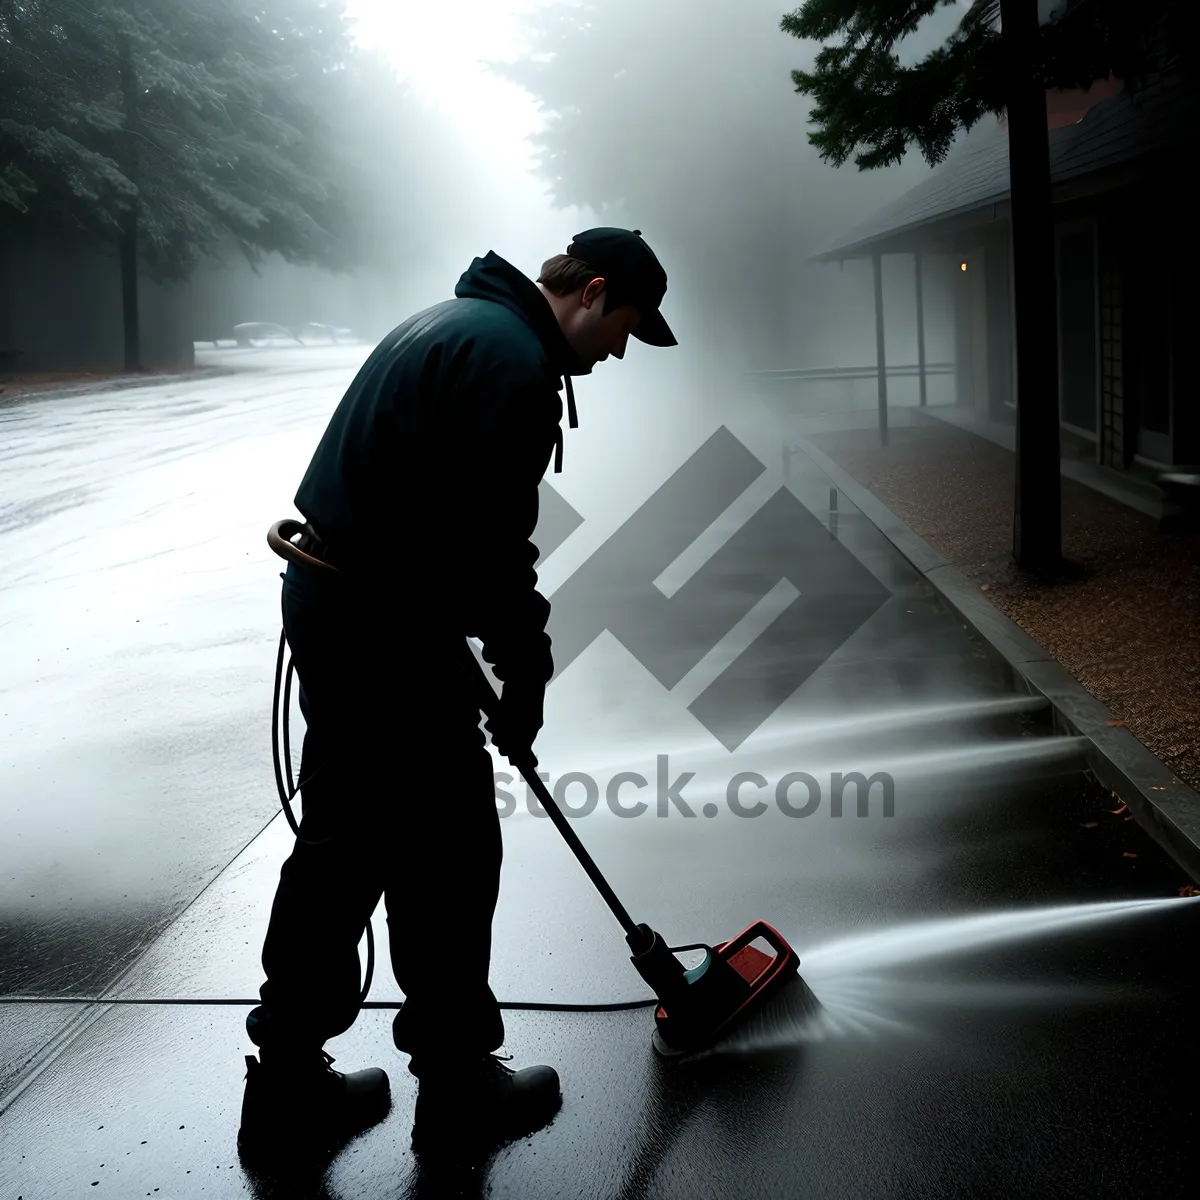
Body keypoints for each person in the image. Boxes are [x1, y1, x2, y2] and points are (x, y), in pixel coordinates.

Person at [237, 228, 677, 1164]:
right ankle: (457, 1082)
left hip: (354, 601)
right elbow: (484, 546)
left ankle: (285, 1086)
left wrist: (505, 657)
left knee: (351, 839)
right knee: (443, 846)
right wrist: (525, 665)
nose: (621, 351)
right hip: (379, 617)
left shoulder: (460, 324)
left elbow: (450, 534)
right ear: (595, 293)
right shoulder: (509, 363)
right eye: (629, 327)